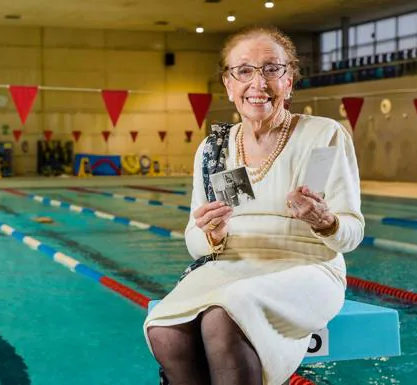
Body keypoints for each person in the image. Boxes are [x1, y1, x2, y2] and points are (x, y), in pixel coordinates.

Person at [143, 25, 364, 385]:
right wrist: (212, 235)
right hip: (232, 266)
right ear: (229, 84)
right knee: (165, 330)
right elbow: (194, 242)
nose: (258, 84)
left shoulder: (322, 136)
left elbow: (351, 235)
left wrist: (325, 222)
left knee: (224, 314)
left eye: (272, 69)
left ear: (289, 80)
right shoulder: (215, 150)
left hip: (308, 266)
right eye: (244, 71)